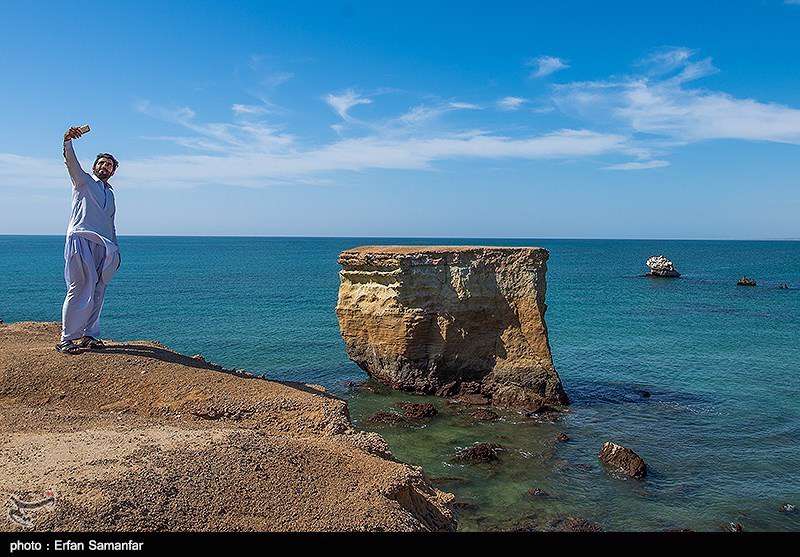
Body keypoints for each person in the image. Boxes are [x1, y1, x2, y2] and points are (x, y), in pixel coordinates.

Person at [56, 126, 121, 354]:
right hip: (80, 239)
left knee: (98, 288)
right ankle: (66, 339)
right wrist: (67, 142)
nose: (105, 167)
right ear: (95, 167)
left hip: (103, 245)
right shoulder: (82, 181)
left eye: (109, 165)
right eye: (102, 163)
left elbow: (110, 223)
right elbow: (71, 162)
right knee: (79, 287)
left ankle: (89, 335)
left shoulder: (110, 193)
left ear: (113, 171)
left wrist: (115, 250)